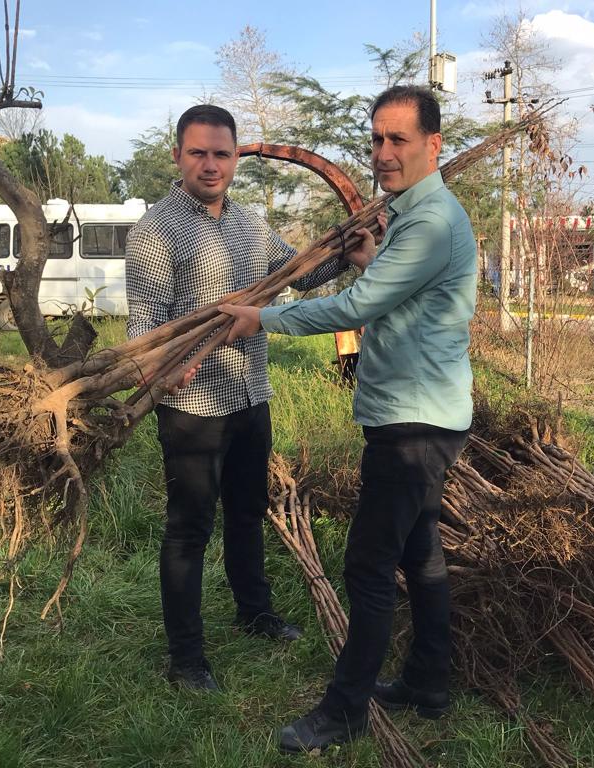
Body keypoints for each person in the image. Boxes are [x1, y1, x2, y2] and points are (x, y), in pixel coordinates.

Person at [220, 85, 477, 752]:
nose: (383, 153)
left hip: (414, 425)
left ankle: (344, 710)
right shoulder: (415, 217)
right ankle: (428, 683)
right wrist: (371, 263)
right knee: (420, 553)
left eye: (399, 140)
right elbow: (397, 294)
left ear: (433, 145)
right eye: (377, 139)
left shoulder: (430, 221)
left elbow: (353, 309)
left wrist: (261, 317)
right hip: (425, 415)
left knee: (368, 564)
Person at [124, 104, 352, 690]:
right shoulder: (155, 230)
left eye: (221, 154)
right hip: (192, 407)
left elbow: (297, 274)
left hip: (251, 394)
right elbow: (143, 323)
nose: (211, 165)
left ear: (235, 159)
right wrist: (163, 370)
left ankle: (255, 613)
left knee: (248, 513)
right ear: (177, 156)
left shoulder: (250, 224)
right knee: (189, 529)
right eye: (198, 153)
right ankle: (186, 658)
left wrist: (343, 251)